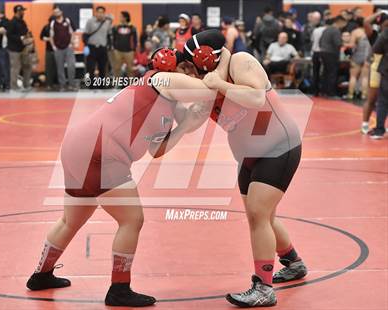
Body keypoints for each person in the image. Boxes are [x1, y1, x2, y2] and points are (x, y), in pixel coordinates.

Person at [26, 37, 228, 307]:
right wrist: (224, 58)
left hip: (80, 146)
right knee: (132, 219)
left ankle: (40, 275)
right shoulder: (162, 79)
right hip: (101, 153)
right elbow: (207, 90)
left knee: (70, 220)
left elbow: (158, 148)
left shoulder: (163, 97)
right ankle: (119, 288)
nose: (192, 74)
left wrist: (184, 126)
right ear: (175, 69)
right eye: (188, 69)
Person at [182, 31, 307, 308]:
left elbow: (256, 98)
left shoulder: (240, 61)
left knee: (259, 214)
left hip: (279, 147)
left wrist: (220, 85)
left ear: (205, 59)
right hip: (249, 156)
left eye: (190, 66)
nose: (189, 74)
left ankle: (263, 288)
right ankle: (293, 262)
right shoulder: (208, 85)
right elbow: (191, 123)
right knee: (262, 218)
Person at [362, 11, 388, 134]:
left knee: (384, 100)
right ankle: (365, 124)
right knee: (372, 98)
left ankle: (381, 125)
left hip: (384, 66)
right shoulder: (375, 34)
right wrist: (379, 12)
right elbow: (366, 22)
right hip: (377, 68)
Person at [368, 23, 388, 139]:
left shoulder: (386, 32)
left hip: (386, 71)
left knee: (383, 101)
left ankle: (379, 130)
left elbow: (376, 49)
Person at [319, 15, 347, 98]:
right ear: (340, 22)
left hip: (323, 52)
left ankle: (324, 91)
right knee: (332, 73)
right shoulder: (336, 31)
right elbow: (338, 43)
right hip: (331, 53)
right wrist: (344, 44)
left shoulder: (326, 29)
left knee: (325, 73)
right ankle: (331, 93)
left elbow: (320, 42)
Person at [50, 6, 76, 91]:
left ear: (61, 12)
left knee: (71, 66)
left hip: (68, 47)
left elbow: (72, 33)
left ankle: (72, 84)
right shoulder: (52, 23)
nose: (57, 13)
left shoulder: (67, 21)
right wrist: (53, 46)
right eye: (55, 12)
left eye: (58, 11)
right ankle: (62, 85)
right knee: (60, 68)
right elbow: (51, 36)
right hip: (58, 49)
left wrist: (71, 43)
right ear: (53, 14)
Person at [6, 5, 32, 90]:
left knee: (27, 66)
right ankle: (14, 86)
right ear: (18, 11)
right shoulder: (11, 22)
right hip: (14, 49)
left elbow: (26, 32)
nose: (23, 12)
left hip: (24, 48)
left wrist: (28, 37)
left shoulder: (23, 22)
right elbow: (9, 35)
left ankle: (26, 84)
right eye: (22, 11)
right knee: (15, 68)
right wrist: (20, 38)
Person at [84, 6, 112, 85]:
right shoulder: (90, 21)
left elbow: (109, 35)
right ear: (95, 13)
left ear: (104, 13)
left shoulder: (107, 23)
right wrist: (86, 46)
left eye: (102, 12)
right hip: (91, 47)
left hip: (102, 48)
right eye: (98, 12)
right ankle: (91, 85)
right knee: (91, 67)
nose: (100, 14)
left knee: (102, 67)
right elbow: (85, 35)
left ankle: (102, 85)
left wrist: (109, 46)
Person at [345, 17, 371, 100]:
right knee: (365, 77)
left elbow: (351, 45)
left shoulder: (355, 32)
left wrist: (345, 44)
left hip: (357, 55)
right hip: (367, 56)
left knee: (353, 76)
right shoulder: (370, 32)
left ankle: (350, 94)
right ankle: (364, 95)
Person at [112, 11, 137, 79]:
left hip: (129, 51)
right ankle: (117, 84)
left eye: (121, 16)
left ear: (125, 18)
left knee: (130, 69)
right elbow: (113, 38)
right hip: (118, 51)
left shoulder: (132, 27)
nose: (120, 18)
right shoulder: (116, 27)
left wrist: (134, 49)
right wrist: (114, 47)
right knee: (117, 68)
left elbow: (135, 40)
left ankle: (131, 84)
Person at [311, 19, 328, 96]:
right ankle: (324, 90)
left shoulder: (315, 30)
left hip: (315, 52)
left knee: (315, 72)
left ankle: (315, 91)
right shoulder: (326, 30)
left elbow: (312, 40)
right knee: (324, 72)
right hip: (323, 52)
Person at [40, 16, 57, 89]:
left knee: (57, 68)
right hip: (49, 50)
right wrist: (48, 39)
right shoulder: (46, 27)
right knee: (49, 68)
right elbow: (41, 37)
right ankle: (49, 84)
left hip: (58, 50)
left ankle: (56, 83)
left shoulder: (59, 27)